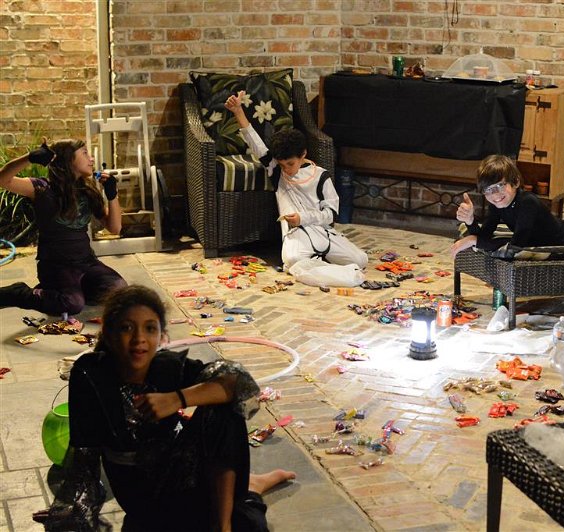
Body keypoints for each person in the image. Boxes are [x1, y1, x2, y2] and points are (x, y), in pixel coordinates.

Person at [33, 285, 295, 531]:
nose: (139, 339)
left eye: (150, 328)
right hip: (138, 493)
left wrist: (177, 398)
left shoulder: (167, 367)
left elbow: (241, 384)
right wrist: (72, 510)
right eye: (126, 328)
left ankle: (227, 520)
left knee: (224, 412)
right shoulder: (90, 374)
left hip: (183, 474)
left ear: (161, 336)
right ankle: (250, 486)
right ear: (109, 335)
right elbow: (84, 455)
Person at [223, 91, 368, 284]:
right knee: (292, 260)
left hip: (323, 233)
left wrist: (303, 218)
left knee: (360, 260)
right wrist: (238, 111)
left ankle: (318, 265)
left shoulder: (321, 176)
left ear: (303, 154)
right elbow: (254, 142)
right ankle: (320, 265)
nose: (287, 169)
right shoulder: (277, 172)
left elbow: (331, 214)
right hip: (297, 235)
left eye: (290, 164)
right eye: (282, 164)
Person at [0, 138, 126, 315]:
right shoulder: (43, 188)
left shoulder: (87, 192)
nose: (91, 159)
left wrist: (112, 196)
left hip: (86, 262)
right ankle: (19, 292)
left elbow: (115, 228)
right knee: (72, 304)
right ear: (68, 159)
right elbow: (3, 180)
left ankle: (60, 292)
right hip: (56, 266)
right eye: (85, 153)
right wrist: (29, 158)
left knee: (120, 291)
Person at [450, 154, 564, 258]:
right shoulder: (497, 205)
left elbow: (516, 246)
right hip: (546, 237)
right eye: (488, 190)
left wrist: (474, 240)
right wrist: (470, 220)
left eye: (500, 186)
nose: (495, 195)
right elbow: (484, 236)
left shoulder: (527, 202)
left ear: (516, 182)